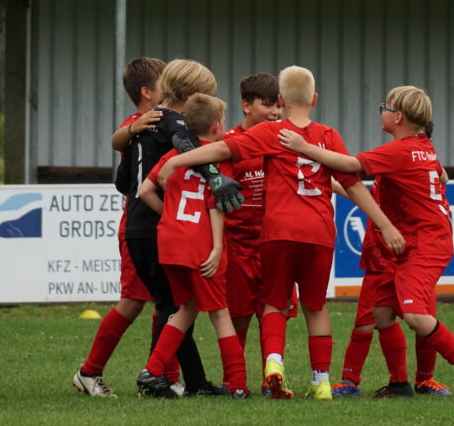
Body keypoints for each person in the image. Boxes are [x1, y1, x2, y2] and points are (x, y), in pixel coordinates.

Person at [158, 65, 403, 400]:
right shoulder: (328, 135)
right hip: (306, 232)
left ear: (282, 100)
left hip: (276, 232)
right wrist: (385, 222)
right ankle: (318, 380)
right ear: (314, 99)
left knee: (273, 304)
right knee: (310, 308)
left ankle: (271, 365)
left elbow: (220, 151)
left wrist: (175, 160)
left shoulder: (272, 133)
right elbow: (350, 182)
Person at [279, 85, 454, 400]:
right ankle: (399, 385)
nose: (382, 112)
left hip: (424, 242)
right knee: (381, 312)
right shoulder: (421, 146)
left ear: (398, 117)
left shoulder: (400, 150)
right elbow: (436, 174)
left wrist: (303, 146)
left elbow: (349, 165)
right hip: (419, 239)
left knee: (416, 315)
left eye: (385, 107)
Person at [119, 58, 243, 396]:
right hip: (190, 241)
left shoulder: (149, 129)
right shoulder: (200, 150)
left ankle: (160, 374)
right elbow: (214, 202)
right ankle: (234, 383)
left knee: (180, 308)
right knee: (214, 312)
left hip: (159, 234)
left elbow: (135, 186)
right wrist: (217, 246)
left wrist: (169, 215)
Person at [332, 124, 452, 398]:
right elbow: (368, 195)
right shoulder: (394, 160)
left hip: (410, 255)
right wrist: (332, 184)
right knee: (368, 319)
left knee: (423, 318)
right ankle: (353, 381)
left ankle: (424, 380)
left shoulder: (415, 162)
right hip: (381, 254)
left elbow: (440, 175)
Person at [73, 57, 164, 398]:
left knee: (166, 300)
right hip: (139, 226)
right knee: (132, 301)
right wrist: (132, 129)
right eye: (165, 83)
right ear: (147, 93)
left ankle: (162, 376)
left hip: (164, 224)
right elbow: (118, 138)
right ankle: (89, 371)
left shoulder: (165, 120)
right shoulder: (137, 124)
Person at [221, 73, 292, 395]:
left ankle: (270, 378)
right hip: (236, 243)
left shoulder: (286, 140)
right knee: (237, 316)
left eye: (278, 106)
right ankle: (234, 380)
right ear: (246, 106)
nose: (275, 112)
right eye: (268, 105)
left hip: (273, 242)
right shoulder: (229, 142)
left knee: (272, 314)